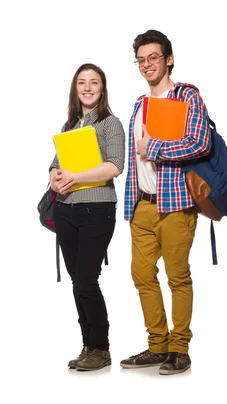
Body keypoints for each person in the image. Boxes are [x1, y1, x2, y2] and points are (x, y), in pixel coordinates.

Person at [119, 29, 212, 375]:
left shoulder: (187, 96)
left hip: (175, 204)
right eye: (141, 60)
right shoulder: (139, 105)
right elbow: (134, 160)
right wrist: (128, 206)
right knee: (141, 275)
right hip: (142, 205)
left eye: (153, 58)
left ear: (168, 59)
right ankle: (157, 345)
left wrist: (155, 148)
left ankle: (180, 349)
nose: (147, 65)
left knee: (177, 276)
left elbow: (200, 143)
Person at [49, 63, 126, 371]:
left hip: (97, 209)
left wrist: (76, 177)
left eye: (94, 82)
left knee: (86, 281)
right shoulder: (70, 126)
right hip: (66, 210)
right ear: (75, 88)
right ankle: (87, 344)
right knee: (76, 281)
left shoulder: (110, 123)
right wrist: (55, 177)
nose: (88, 87)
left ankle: (101, 348)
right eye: (82, 82)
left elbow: (115, 165)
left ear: (102, 88)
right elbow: (55, 164)